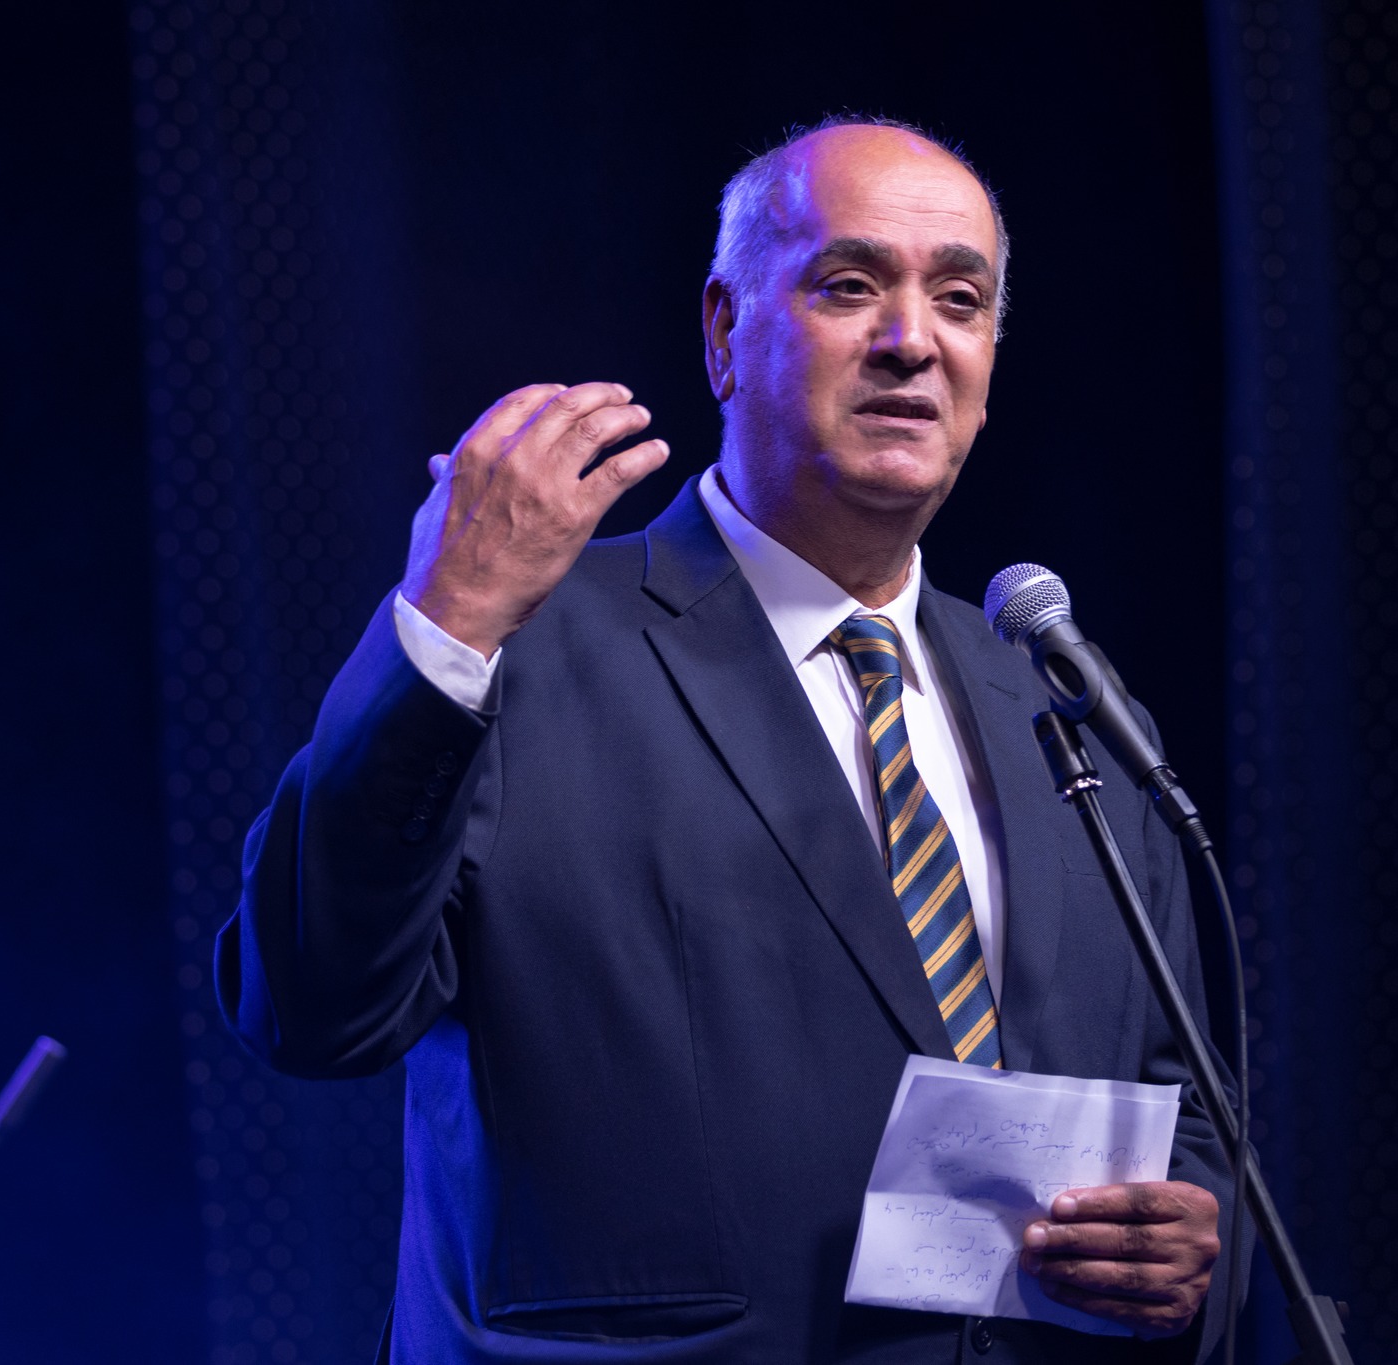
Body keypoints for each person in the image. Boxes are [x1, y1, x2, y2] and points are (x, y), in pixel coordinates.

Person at [219, 116, 1241, 1363]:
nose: (911, 339)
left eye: (959, 299)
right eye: (848, 285)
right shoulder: (517, 647)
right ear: (722, 332)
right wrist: (447, 626)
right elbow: (310, 1007)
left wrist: (1187, 1240)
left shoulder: (1060, 705)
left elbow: (1182, 1110)